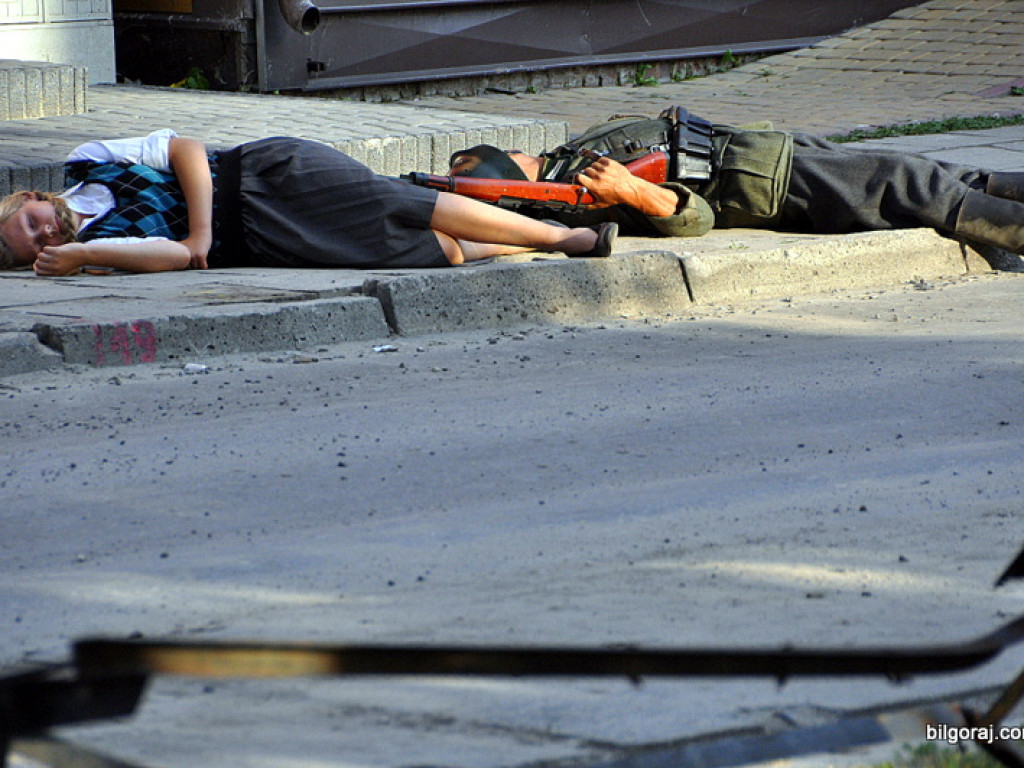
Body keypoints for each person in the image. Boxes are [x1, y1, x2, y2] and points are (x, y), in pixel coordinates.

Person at [0, 129, 618, 276]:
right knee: (432, 251)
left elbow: (185, 148)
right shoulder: (97, 255)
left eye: (30, 222)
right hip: (269, 240)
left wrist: (200, 234)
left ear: (30, 196)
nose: (45, 235)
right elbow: (171, 255)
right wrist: (84, 255)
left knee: (393, 199)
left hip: (263, 173)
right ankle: (531, 232)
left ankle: (567, 240)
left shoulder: (88, 161)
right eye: (36, 245)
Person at [448, 108, 1024, 256]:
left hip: (765, 153)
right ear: (508, 170)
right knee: (908, 181)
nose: (519, 148)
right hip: (763, 181)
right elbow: (694, 217)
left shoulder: (567, 161)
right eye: (507, 154)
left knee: (947, 174)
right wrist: (634, 193)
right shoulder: (577, 191)